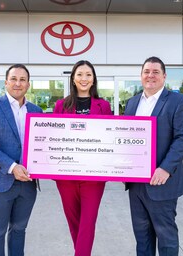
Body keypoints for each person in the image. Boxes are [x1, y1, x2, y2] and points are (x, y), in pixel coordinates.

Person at [124, 56, 183, 256]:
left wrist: (165, 168)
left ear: (164, 76)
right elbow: (126, 138)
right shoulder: (132, 103)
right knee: (142, 236)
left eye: (155, 72)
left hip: (162, 181)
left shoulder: (178, 101)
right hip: (136, 184)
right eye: (147, 71)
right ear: (141, 75)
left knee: (166, 236)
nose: (150, 75)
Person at [0, 64, 43, 256]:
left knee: (19, 230)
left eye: (22, 79)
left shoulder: (36, 110)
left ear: (28, 84)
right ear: (6, 82)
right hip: (0, 180)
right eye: (13, 79)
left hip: (28, 183)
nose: (18, 83)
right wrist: (13, 167)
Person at [53, 60, 112, 256]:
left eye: (88, 74)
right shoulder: (61, 105)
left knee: (88, 223)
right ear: (73, 78)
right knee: (74, 223)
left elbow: (109, 138)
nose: (84, 78)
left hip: (93, 178)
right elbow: (54, 137)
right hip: (66, 177)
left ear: (94, 78)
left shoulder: (103, 106)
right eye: (79, 74)